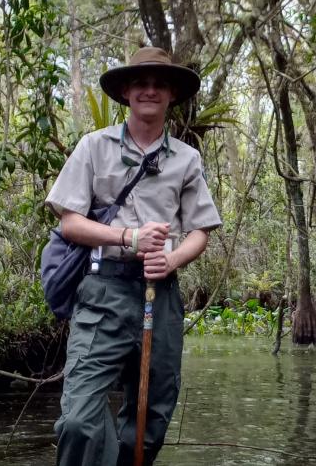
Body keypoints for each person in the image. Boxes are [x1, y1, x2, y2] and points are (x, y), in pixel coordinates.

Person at [45, 47, 221, 466]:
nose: (150, 90)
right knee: (78, 421)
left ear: (171, 95)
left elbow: (200, 232)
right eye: (141, 82)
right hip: (102, 290)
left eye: (160, 84)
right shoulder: (93, 147)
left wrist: (172, 260)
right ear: (126, 91)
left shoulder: (187, 159)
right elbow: (70, 222)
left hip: (159, 295)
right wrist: (129, 237)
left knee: (151, 416)